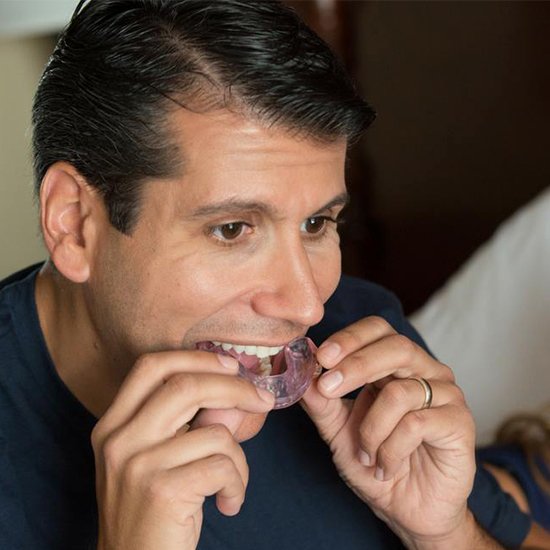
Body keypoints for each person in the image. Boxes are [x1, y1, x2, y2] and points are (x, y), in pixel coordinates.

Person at [0, 1, 546, 548]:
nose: (307, 306)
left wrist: (444, 532)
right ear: (74, 224)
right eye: (233, 229)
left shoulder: (359, 343)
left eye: (316, 223)